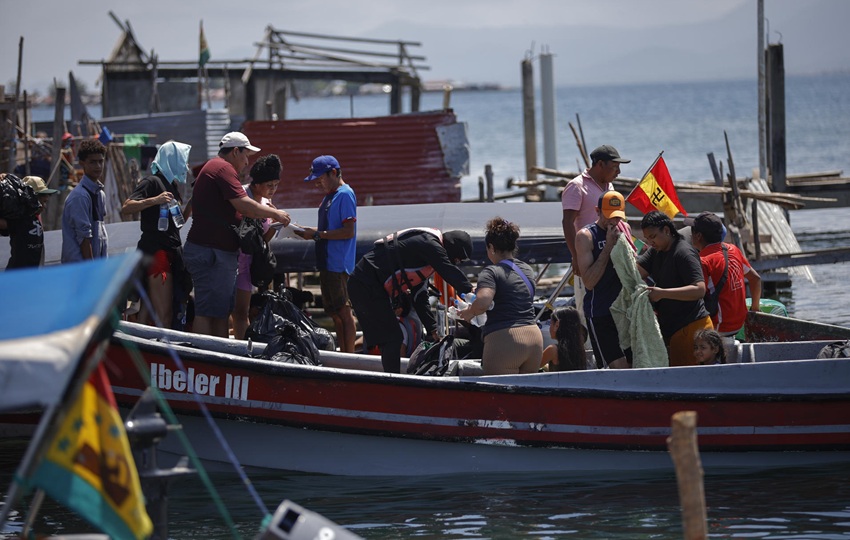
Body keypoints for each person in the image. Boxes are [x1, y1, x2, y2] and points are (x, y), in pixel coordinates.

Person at [183, 132, 291, 338]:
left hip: (208, 248)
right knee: (210, 312)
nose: (246, 161)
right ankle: (213, 360)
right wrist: (275, 213)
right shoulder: (224, 169)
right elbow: (244, 206)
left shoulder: (212, 167)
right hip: (212, 251)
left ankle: (214, 358)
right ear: (235, 151)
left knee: (217, 311)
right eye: (245, 155)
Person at [348, 227, 473, 373]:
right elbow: (447, 270)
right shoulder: (428, 243)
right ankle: (393, 382)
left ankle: (392, 378)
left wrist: (432, 328)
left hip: (373, 287)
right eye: (456, 259)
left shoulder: (423, 257)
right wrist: (472, 291)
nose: (455, 263)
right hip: (364, 283)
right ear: (451, 247)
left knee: (390, 338)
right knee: (393, 338)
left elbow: (419, 297)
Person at [121, 141, 193, 328]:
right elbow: (127, 207)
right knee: (165, 314)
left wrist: (191, 205)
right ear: (171, 159)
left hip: (171, 250)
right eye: (181, 160)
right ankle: (164, 352)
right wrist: (155, 200)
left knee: (150, 307)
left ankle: (142, 348)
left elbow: (176, 224)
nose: (185, 166)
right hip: (157, 252)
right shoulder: (152, 181)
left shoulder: (172, 186)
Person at [459, 218, 543, 375]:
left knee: (499, 397)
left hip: (505, 340)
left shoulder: (490, 272)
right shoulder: (526, 269)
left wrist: (470, 312)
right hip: (534, 338)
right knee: (527, 397)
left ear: (491, 247)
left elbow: (483, 302)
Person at [296, 155, 357, 353]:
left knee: (344, 311)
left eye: (320, 178)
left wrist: (315, 234)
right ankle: (344, 354)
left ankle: (349, 357)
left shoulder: (345, 194)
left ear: (333, 173)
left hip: (338, 263)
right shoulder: (330, 197)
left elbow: (348, 231)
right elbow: (328, 230)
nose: (318, 183)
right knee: (335, 312)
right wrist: (306, 231)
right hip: (327, 262)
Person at [637, 210, 712, 366]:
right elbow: (636, 272)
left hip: (692, 328)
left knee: (689, 382)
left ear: (666, 230)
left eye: (653, 237)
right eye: (647, 238)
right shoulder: (656, 251)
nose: (650, 242)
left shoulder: (683, 252)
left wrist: (662, 293)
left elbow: (699, 290)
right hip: (672, 330)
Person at [574, 191, 635, 369]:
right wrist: (608, 247)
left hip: (623, 310)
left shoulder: (625, 229)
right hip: (600, 311)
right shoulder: (585, 236)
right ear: (597, 211)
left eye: (618, 217)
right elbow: (589, 282)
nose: (614, 222)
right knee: (617, 367)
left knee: (633, 364)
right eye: (609, 216)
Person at [231, 154, 282, 340]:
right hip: (235, 260)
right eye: (269, 185)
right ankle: (239, 349)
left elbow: (263, 240)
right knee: (237, 312)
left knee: (247, 310)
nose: (273, 190)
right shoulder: (242, 196)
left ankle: (247, 347)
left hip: (252, 264)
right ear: (257, 184)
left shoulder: (268, 205)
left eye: (276, 185)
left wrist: (276, 224)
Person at [562, 145, 632, 276]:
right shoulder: (576, 186)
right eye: (615, 167)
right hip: (588, 253)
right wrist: (576, 256)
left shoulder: (609, 185)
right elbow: (567, 222)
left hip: (610, 251)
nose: (619, 172)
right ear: (600, 164)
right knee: (588, 294)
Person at [689, 211, 762, 337]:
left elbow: (696, 295)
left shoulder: (703, 261)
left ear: (698, 236)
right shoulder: (733, 250)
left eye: (692, 232)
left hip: (719, 326)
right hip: (740, 323)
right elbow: (755, 278)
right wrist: (754, 309)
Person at [61, 138, 108, 263]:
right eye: (92, 162)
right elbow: (84, 239)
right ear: (82, 163)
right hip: (79, 267)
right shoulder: (80, 197)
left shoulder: (100, 194)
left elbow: (100, 234)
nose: (98, 166)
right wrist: (91, 269)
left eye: (100, 161)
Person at [0, 175, 58, 269]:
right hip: (17, 275)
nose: (43, 206)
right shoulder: (19, 220)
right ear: (30, 199)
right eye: (42, 202)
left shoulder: (36, 217)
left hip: (33, 276)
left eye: (45, 202)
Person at [541, 306, 587, 371]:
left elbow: (534, 366)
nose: (549, 327)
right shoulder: (579, 349)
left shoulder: (552, 349)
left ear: (557, 325)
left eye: (551, 323)